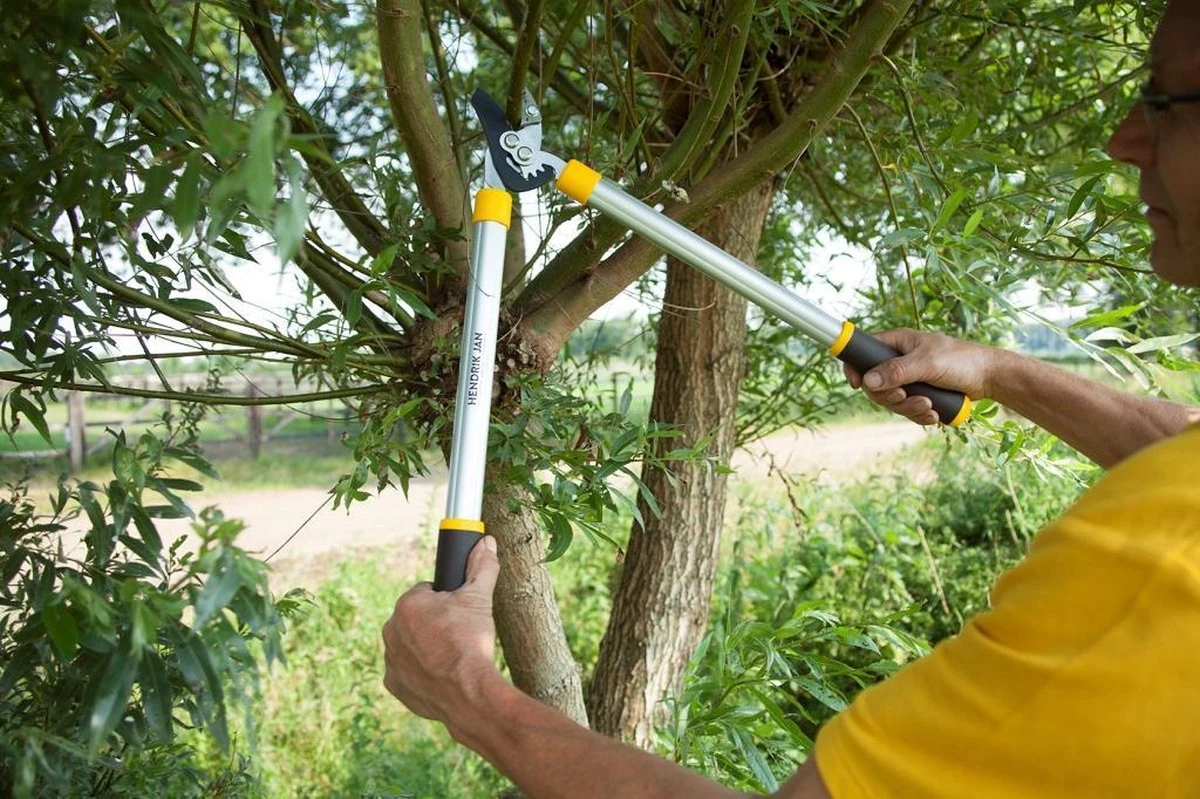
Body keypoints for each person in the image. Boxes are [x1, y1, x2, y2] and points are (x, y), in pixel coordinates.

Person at [381, 2, 1200, 796]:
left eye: (1166, 102)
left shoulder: (1161, 560)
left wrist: (470, 693)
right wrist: (995, 370)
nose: (1124, 140)